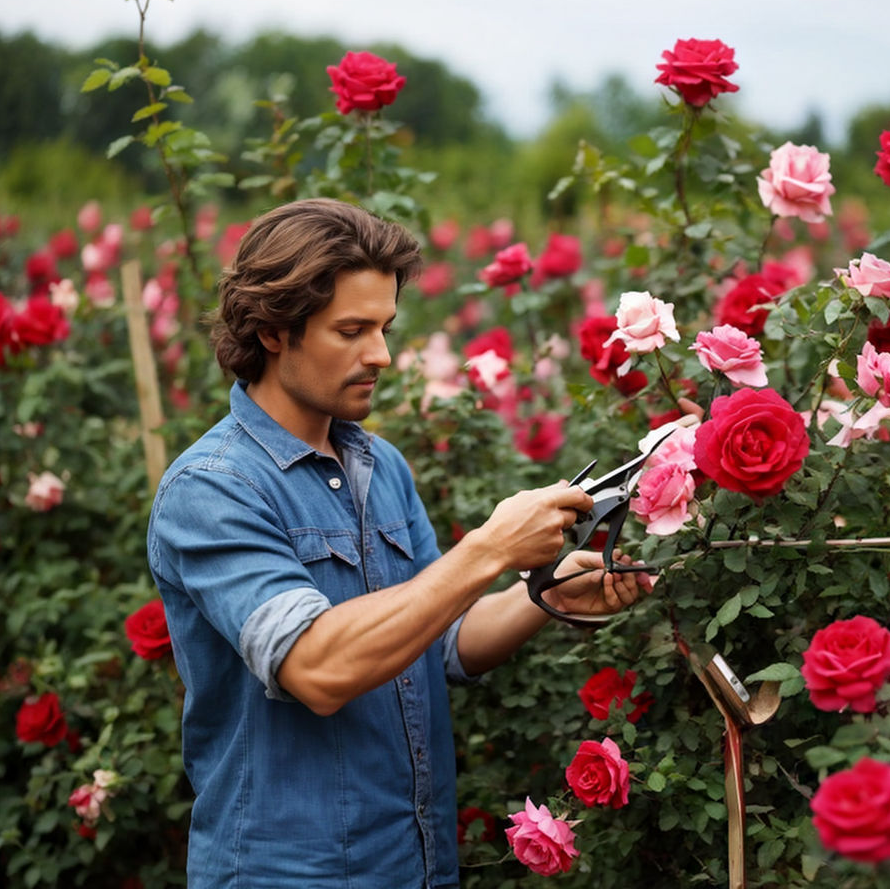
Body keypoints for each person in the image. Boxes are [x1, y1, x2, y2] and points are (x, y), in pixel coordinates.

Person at [146, 198, 642, 888]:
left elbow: (440, 637)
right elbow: (316, 667)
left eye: (383, 327)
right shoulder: (212, 489)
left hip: (415, 865)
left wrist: (544, 593)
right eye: (350, 330)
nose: (379, 354)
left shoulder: (379, 467)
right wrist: (488, 549)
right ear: (271, 331)